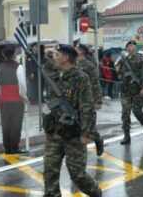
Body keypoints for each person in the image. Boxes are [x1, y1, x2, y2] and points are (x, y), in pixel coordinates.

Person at [42, 44, 102, 197]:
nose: (54, 57)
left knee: (77, 175)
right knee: (50, 171)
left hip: (73, 133)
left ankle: (96, 193)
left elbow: (87, 107)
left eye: (57, 54)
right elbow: (44, 64)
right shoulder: (55, 74)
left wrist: (86, 133)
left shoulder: (81, 78)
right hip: (54, 132)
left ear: (66, 58)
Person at [115, 40, 143, 145]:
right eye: (129, 46)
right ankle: (127, 136)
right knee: (125, 114)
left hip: (137, 90)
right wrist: (118, 68)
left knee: (137, 111)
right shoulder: (123, 59)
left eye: (133, 46)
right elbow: (118, 72)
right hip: (126, 90)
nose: (131, 48)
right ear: (126, 48)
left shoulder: (141, 59)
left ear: (135, 48)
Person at [0, 46, 27, 154]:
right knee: (16, 124)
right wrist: (24, 96)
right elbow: (22, 84)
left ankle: (7, 147)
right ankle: (14, 147)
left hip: (4, 99)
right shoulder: (19, 67)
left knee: (6, 124)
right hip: (16, 98)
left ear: (4, 55)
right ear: (14, 54)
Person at [76, 44, 104, 156]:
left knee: (89, 128)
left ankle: (98, 140)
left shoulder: (89, 65)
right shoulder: (73, 64)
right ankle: (80, 153)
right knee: (78, 126)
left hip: (88, 100)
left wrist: (98, 100)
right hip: (76, 100)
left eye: (77, 49)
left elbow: (95, 83)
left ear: (81, 52)